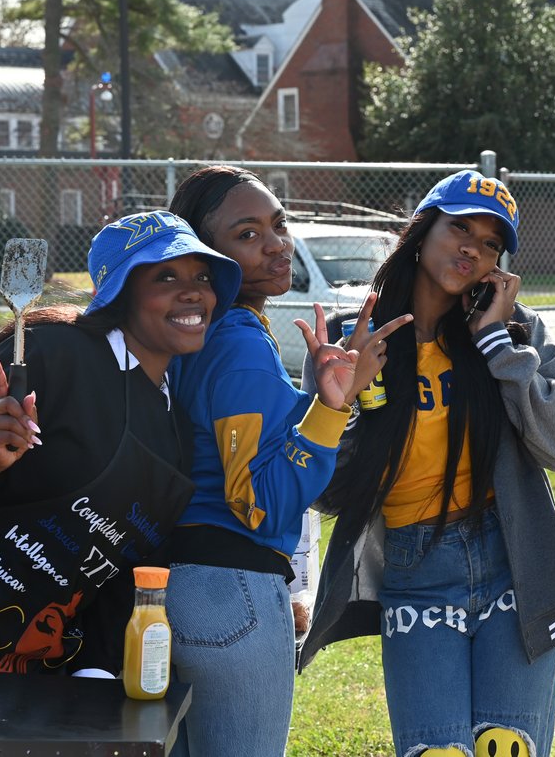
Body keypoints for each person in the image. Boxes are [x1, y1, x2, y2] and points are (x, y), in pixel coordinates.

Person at [298, 170, 555, 757]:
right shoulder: (356, 339)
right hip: (415, 568)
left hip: (511, 561)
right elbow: (327, 493)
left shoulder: (514, 330)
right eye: (460, 228)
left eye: (489, 244)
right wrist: (342, 401)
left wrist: (497, 347)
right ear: (422, 230)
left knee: (507, 748)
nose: (471, 250)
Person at [164, 165, 411, 756]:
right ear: (205, 255)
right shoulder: (238, 343)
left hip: (171, 586)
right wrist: (331, 406)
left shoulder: (188, 332)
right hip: (229, 596)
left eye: (278, 224)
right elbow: (261, 501)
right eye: (246, 234)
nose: (277, 243)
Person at [0, 210, 242, 676]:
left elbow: (127, 579)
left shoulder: (175, 426)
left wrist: (95, 681)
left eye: (203, 275)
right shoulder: (49, 352)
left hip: (48, 673)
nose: (194, 290)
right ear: (119, 294)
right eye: (165, 275)